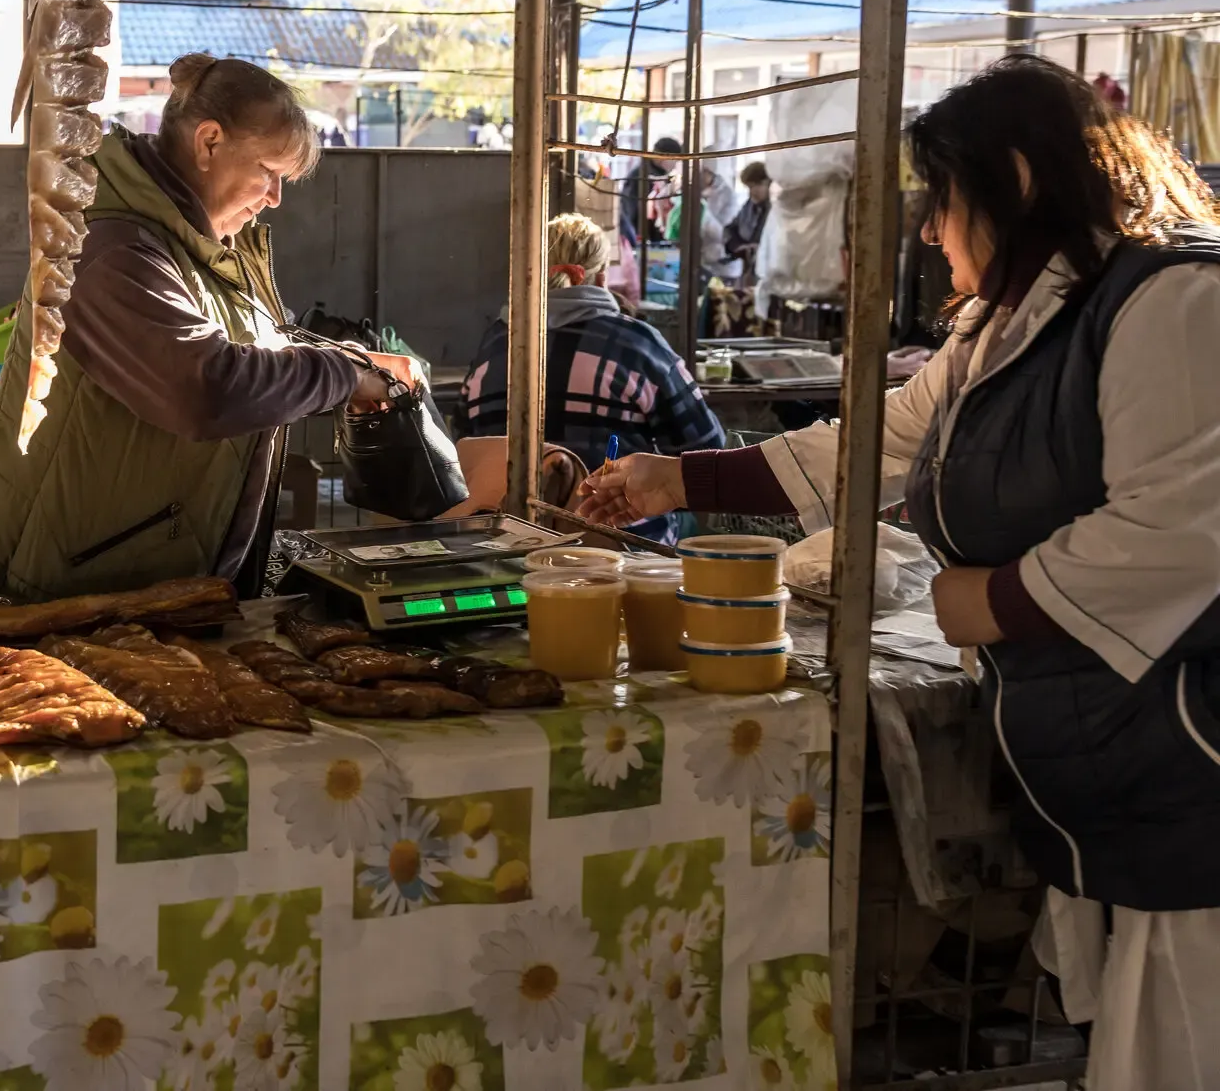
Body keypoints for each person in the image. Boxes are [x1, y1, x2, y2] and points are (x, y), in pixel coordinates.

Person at [578, 55, 1220, 1088]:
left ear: (1011, 182)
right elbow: (872, 444)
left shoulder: (1170, 299)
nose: (925, 231)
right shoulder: (1002, 324)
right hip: (1104, 767)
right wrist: (674, 474)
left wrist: (988, 601)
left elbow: (1181, 527)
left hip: (1186, 760)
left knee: (1180, 1044)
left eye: (940, 200)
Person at [0, 54, 415, 610]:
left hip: (129, 591)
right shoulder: (109, 249)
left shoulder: (199, 247)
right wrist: (340, 375)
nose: (275, 198)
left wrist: (343, 359)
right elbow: (203, 386)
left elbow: (242, 353)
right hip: (30, 602)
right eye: (269, 172)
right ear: (209, 143)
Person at [459, 215, 724, 541]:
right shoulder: (638, 343)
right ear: (602, 278)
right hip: (620, 553)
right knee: (692, 524)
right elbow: (707, 450)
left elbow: (466, 449)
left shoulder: (497, 343)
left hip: (508, 545)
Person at [724, 161, 773, 282]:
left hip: (769, 273)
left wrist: (761, 247)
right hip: (749, 270)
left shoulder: (776, 209)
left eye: (758, 185)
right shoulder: (749, 206)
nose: (753, 192)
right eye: (750, 187)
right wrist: (739, 246)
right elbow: (731, 229)